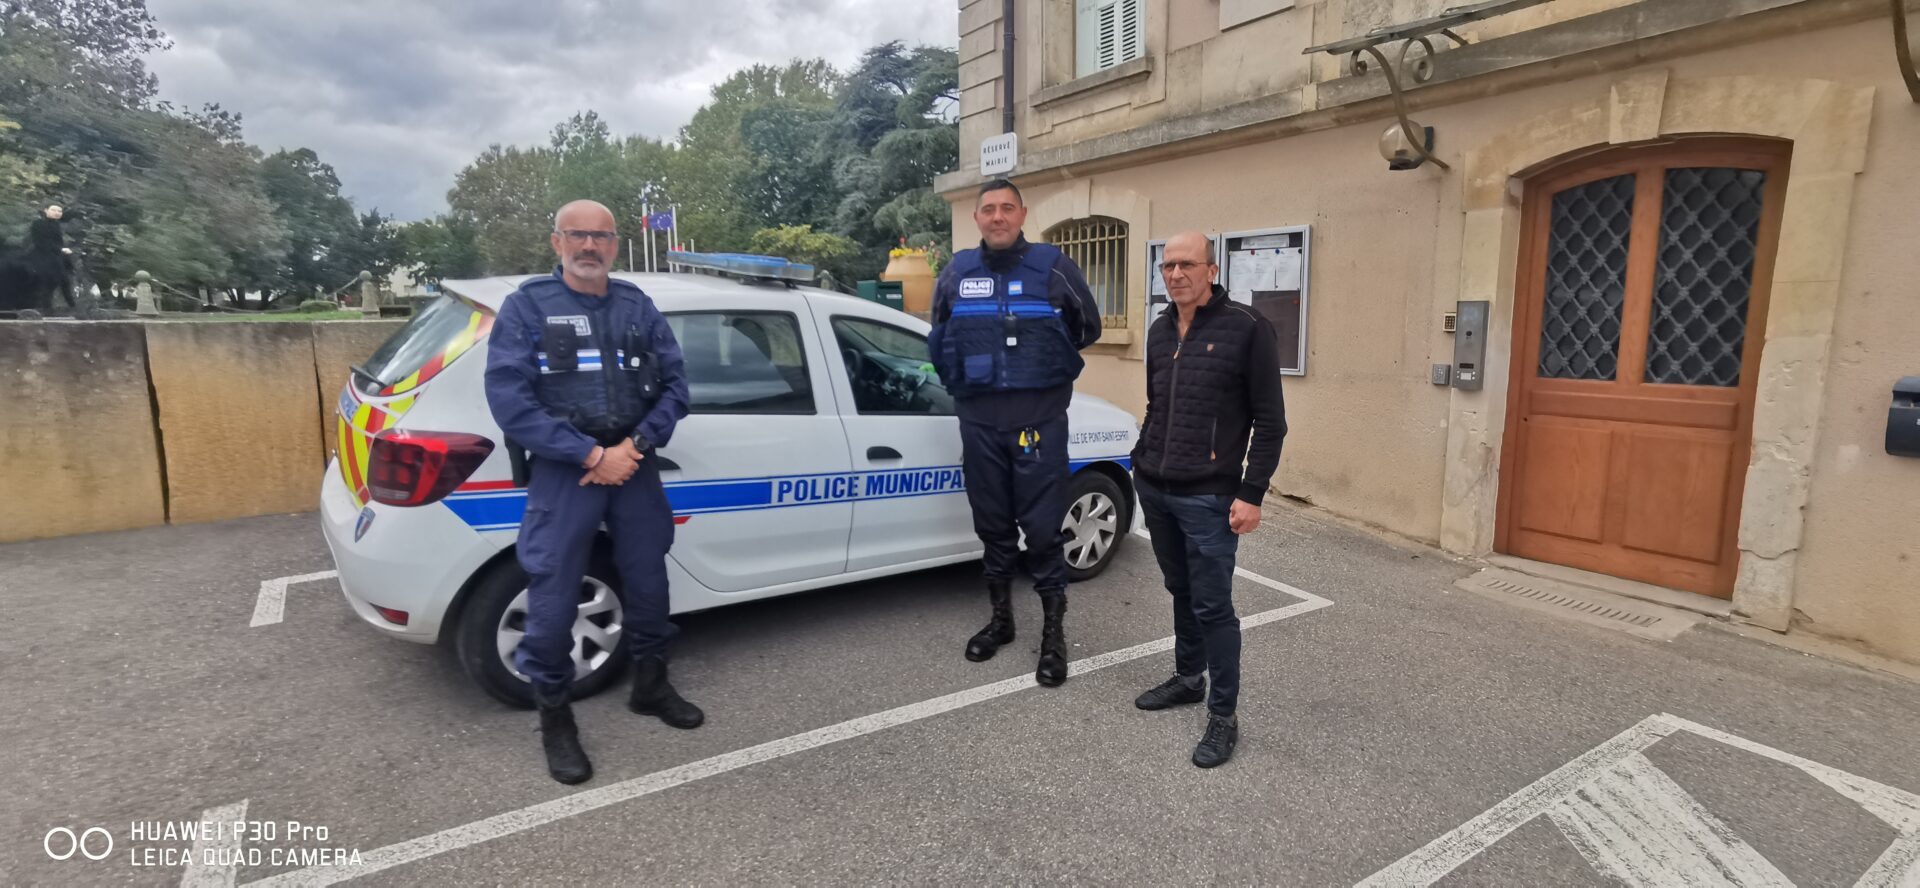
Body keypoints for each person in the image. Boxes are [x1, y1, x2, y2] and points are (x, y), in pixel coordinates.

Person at [484, 199, 696, 785]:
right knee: (551, 601)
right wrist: (589, 454)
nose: (588, 246)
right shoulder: (526, 307)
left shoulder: (636, 305)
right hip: (566, 469)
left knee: (649, 582)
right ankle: (555, 719)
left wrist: (634, 446)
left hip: (633, 463)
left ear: (615, 244)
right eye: (577, 235)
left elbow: (676, 386)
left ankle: (651, 686)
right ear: (556, 242)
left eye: (600, 237)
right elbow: (509, 401)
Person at [927, 179, 1102, 687]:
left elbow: (1086, 327)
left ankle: (1053, 636)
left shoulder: (1052, 268)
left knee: (1044, 531)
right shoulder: (957, 272)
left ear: (1022, 214)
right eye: (988, 209)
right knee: (994, 527)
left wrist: (1035, 359)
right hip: (980, 423)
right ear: (977, 218)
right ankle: (1002, 622)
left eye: (1007, 208)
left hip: (1038, 424)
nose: (998, 216)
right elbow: (940, 335)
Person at [1129, 231, 1287, 768]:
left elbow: (1271, 423)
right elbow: (1158, 405)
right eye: (1168, 265)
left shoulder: (1247, 329)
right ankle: (1188, 678)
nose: (1175, 274)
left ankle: (1223, 716)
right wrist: (1140, 458)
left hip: (1211, 496)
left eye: (1187, 264)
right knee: (1180, 589)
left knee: (1214, 605)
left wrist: (1251, 493)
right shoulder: (1157, 331)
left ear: (1212, 270)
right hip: (1157, 487)